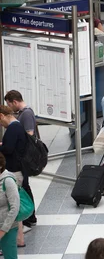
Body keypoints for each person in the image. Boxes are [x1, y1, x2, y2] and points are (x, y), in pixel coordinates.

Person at [3, 91, 37, 226]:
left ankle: (29, 216)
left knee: (24, 188)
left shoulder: (26, 114)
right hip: (22, 160)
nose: (9, 108)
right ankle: (29, 216)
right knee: (25, 187)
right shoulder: (22, 114)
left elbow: (29, 135)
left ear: (14, 102)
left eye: (9, 104)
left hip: (22, 160)